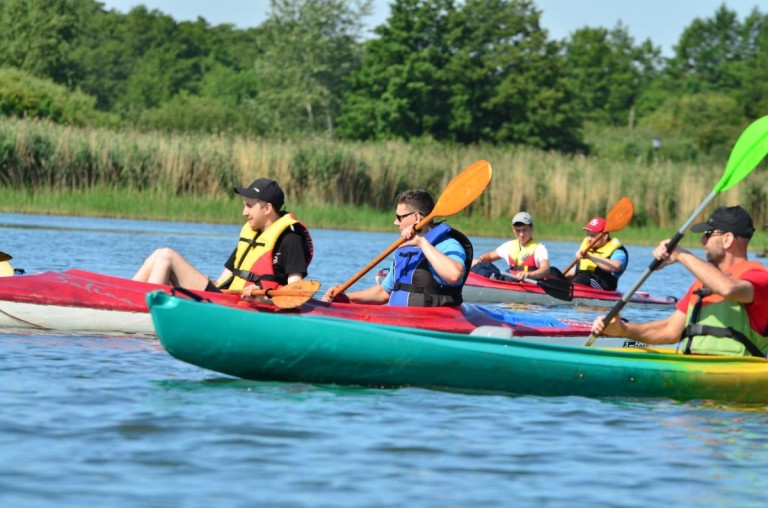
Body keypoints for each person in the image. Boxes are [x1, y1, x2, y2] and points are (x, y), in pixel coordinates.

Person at [592, 205, 768, 357]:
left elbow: (728, 289)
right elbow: (669, 330)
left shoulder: (758, 277)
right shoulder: (703, 283)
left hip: (736, 374)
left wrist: (681, 254)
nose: (702, 240)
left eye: (708, 234)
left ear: (727, 239)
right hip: (694, 372)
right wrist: (623, 329)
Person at [133, 178, 313, 297]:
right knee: (159, 254)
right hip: (223, 296)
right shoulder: (253, 236)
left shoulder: (291, 240)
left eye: (249, 206)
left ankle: (145, 310)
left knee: (167, 256)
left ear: (267, 209)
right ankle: (128, 298)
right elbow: (222, 281)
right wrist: (208, 281)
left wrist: (264, 296)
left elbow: (293, 293)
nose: (244, 212)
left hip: (237, 307)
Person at [322, 189, 472, 306]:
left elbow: (454, 275)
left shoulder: (448, 244)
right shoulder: (405, 248)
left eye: (400, 217)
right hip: (399, 317)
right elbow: (383, 292)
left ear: (417, 218)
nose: (396, 222)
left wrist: (422, 243)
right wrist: (346, 298)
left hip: (432, 321)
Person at [470, 211, 550, 281]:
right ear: (513, 230)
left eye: (524, 230)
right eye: (518, 231)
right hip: (510, 280)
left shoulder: (539, 248)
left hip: (529, 283)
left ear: (531, 228)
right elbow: (490, 256)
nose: (521, 234)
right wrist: (480, 259)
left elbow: (545, 269)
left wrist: (529, 275)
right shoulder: (509, 246)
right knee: (481, 266)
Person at [566, 216, 628, 290]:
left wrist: (589, 256)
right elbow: (574, 271)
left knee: (584, 277)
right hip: (581, 281)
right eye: (588, 235)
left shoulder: (618, 252)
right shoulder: (587, 248)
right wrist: (559, 278)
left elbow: (615, 267)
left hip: (604, 288)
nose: (589, 239)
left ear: (605, 236)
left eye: (592, 236)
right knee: (553, 272)